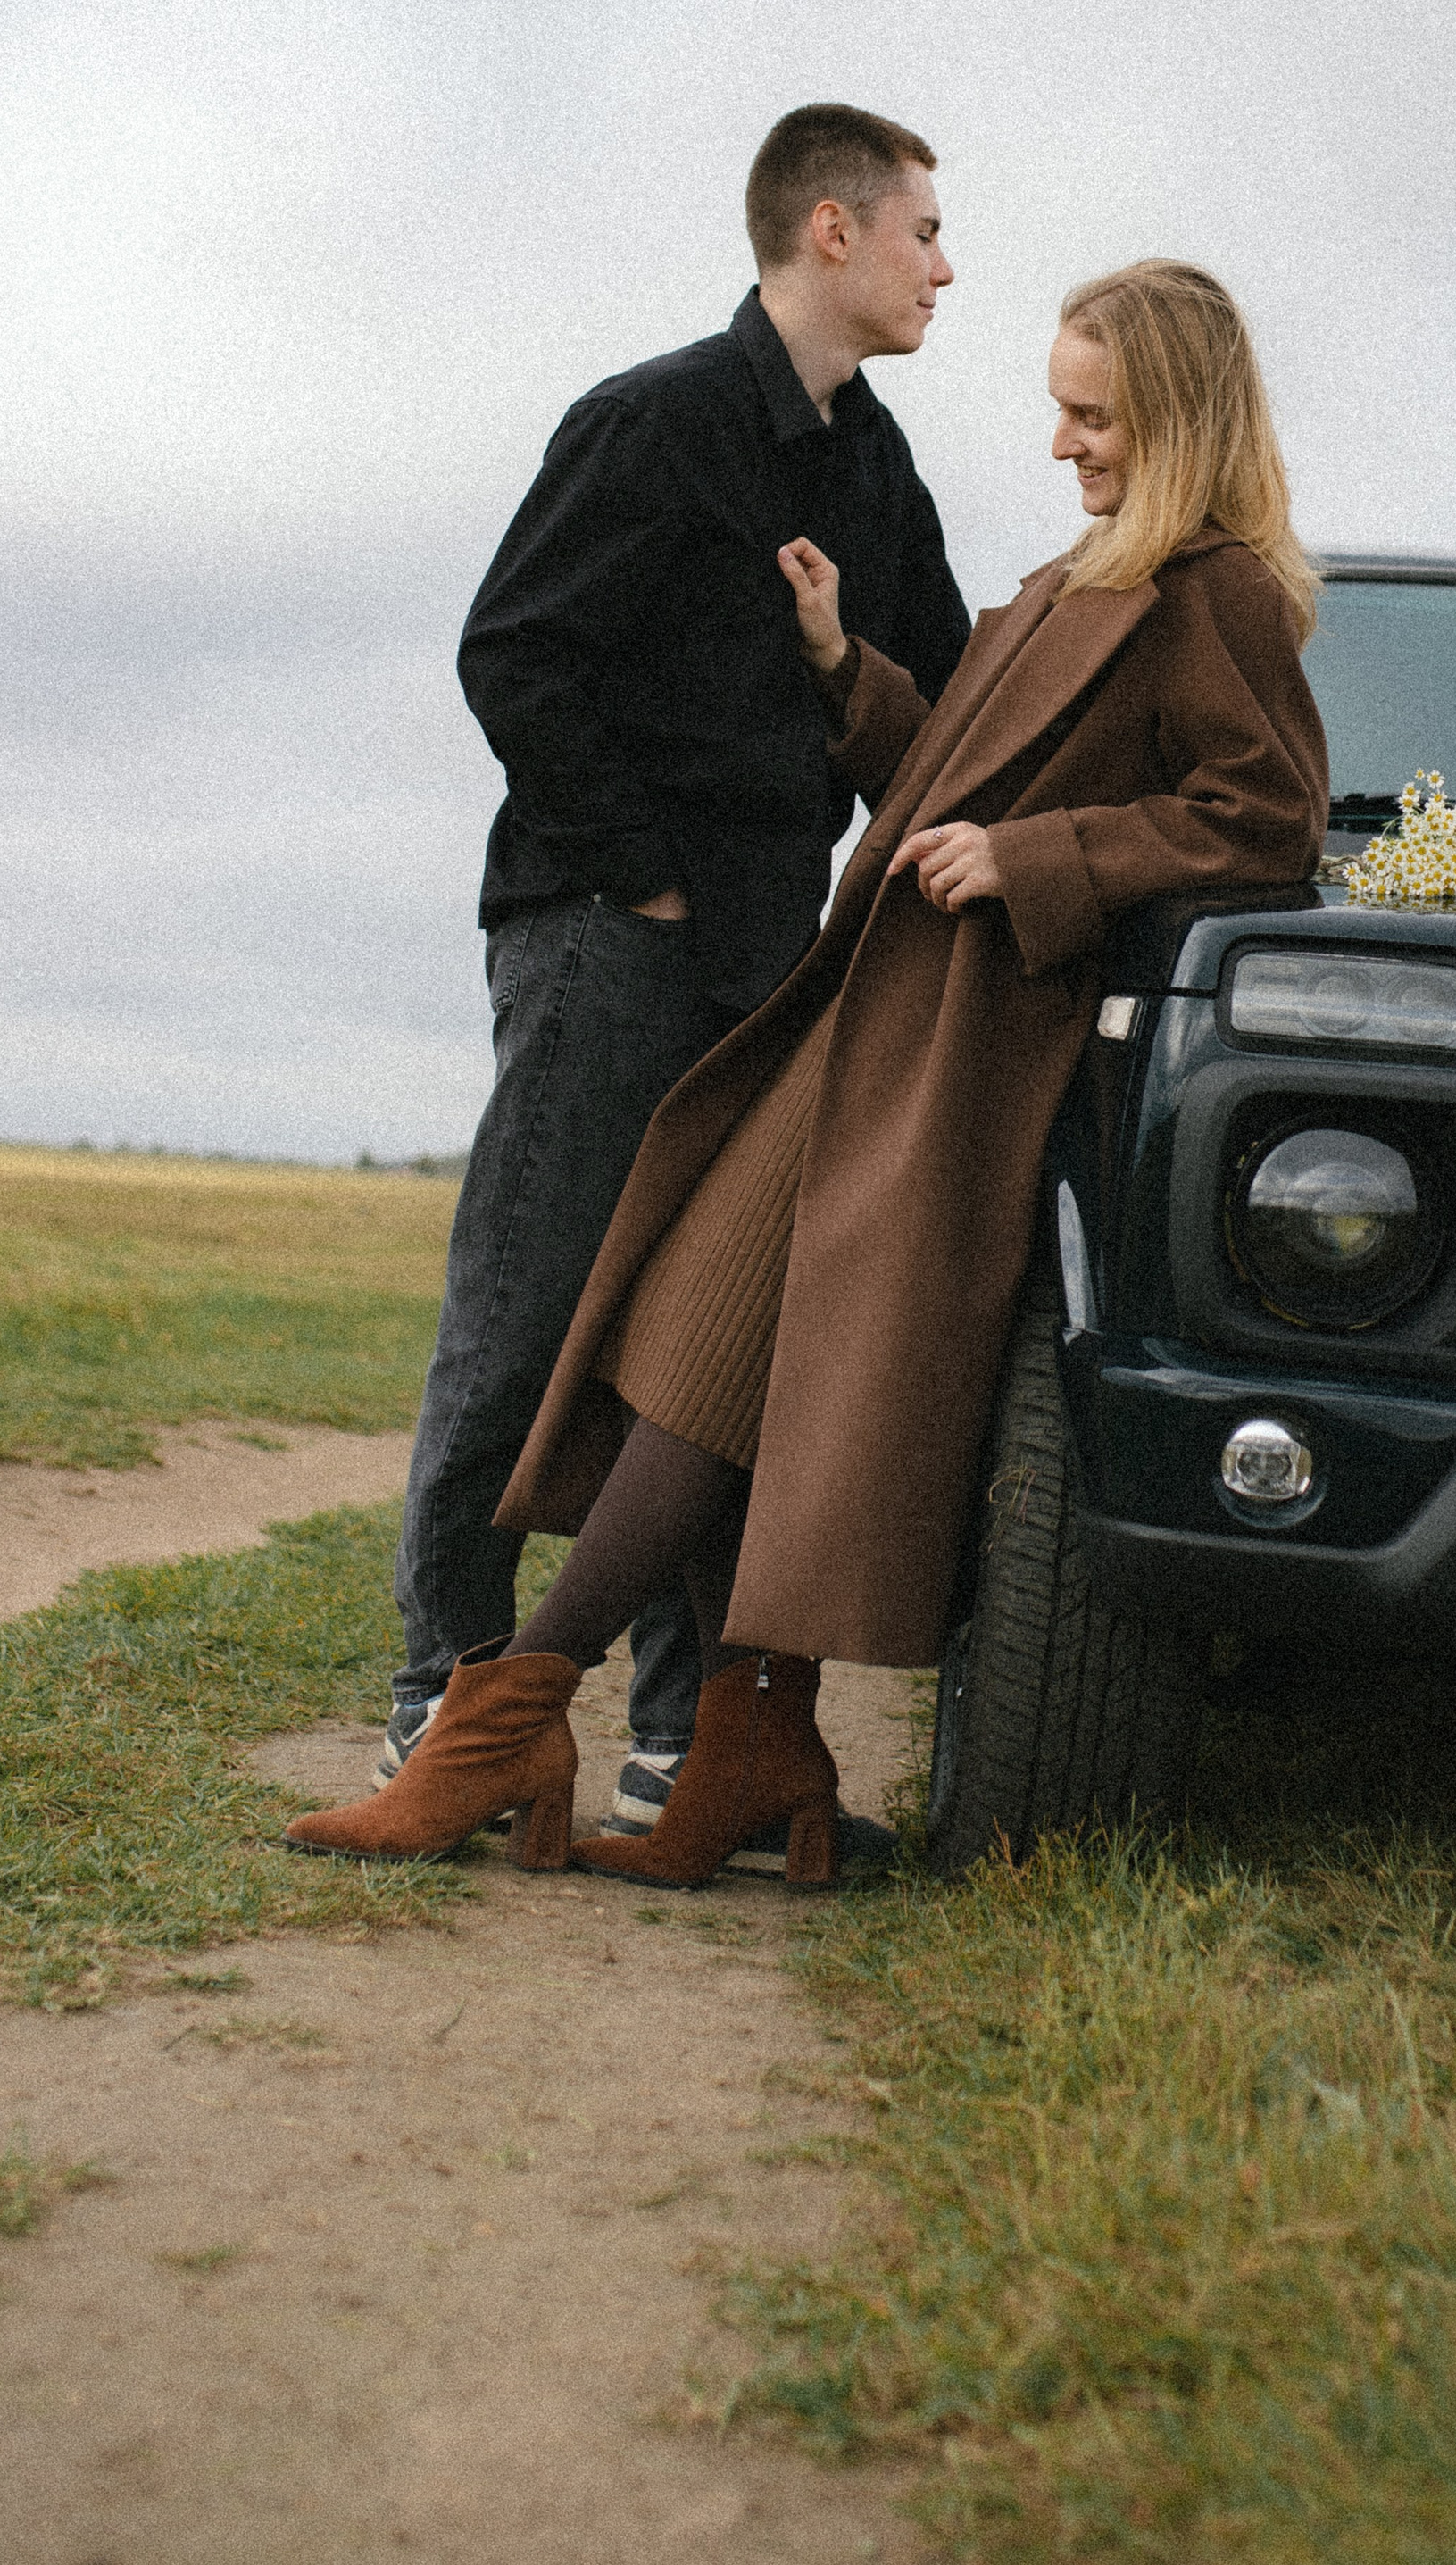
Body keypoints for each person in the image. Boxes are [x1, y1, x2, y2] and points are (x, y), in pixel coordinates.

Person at [291, 259, 1327, 1885]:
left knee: (712, 1359)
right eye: (1061, 409)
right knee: (712, 1353)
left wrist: (1041, 857)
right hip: (865, 1018)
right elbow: (942, 768)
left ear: (1181, 422)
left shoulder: (1218, 591)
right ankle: (747, 1750)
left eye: (1094, 415)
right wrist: (848, 668)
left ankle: (507, 1720)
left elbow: (1267, 821)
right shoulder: (1088, 574)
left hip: (956, 1054)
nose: (1063, 442)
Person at [379, 105, 969, 1846]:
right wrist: (629, 871)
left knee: (702, 1352)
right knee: (529, 1304)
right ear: (829, 230)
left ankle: (665, 1735)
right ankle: (446, 1698)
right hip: (598, 939)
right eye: (925, 229)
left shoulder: (877, 472)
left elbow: (928, 717)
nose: (947, 265)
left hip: (762, 965)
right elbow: (513, 652)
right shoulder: (649, 421)